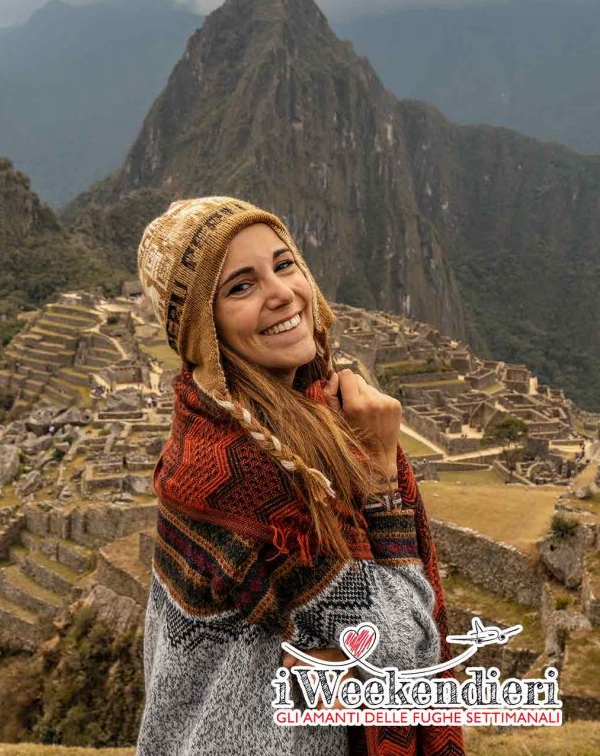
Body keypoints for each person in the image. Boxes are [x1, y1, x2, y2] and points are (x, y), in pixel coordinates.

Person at [135, 197, 464, 756]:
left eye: (284, 265)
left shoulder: (229, 429)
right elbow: (402, 651)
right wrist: (383, 482)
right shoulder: (247, 470)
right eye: (241, 287)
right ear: (203, 330)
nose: (282, 293)